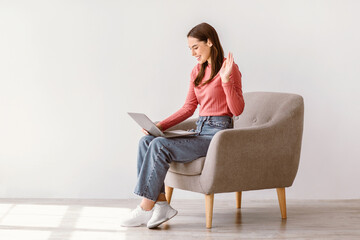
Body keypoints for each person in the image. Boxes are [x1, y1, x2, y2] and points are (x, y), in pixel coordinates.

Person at [121, 22, 245, 229]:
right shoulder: (197, 71)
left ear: (210, 42)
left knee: (160, 146)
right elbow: (189, 107)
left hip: (217, 135)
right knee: (147, 141)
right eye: (190, 49)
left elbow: (237, 110)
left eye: (196, 47)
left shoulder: (229, 69)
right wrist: (159, 125)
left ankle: (145, 208)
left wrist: (225, 81)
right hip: (200, 130)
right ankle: (161, 205)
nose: (193, 53)